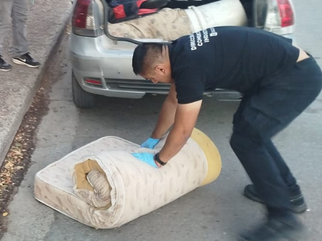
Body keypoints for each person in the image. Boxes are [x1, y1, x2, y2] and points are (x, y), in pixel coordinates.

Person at [130, 27, 321, 241]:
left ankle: (282, 218)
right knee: (249, 131)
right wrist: (154, 138)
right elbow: (173, 101)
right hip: (283, 71)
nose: (154, 83)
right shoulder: (179, 50)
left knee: (247, 140)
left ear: (160, 69)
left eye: (151, 78)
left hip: (295, 78)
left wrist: (159, 160)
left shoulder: (189, 68)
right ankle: (289, 192)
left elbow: (183, 130)